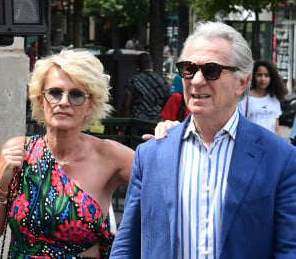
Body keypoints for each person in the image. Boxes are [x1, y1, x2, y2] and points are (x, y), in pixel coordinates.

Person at [110, 21, 296, 258]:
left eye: (211, 71)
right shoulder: (151, 154)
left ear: (241, 82)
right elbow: (126, 245)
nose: (196, 80)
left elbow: (289, 249)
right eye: (188, 69)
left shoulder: (280, 158)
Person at [0, 50, 134, 258]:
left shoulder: (109, 155)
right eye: (54, 92)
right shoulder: (17, 152)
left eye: (76, 94)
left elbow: (166, 181)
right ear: (41, 100)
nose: (63, 102)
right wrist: (0, 184)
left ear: (91, 105)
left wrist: (169, 133)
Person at [238, 60, 287, 135]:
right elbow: (240, 125)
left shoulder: (274, 99)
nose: (263, 79)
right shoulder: (244, 99)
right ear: (253, 76)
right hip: (252, 142)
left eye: (267, 75)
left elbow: (276, 128)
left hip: (271, 143)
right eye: (259, 75)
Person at [119, 52, 169, 123]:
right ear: (152, 64)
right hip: (156, 124)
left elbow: (126, 105)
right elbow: (167, 104)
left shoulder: (133, 81)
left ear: (138, 65)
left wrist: (121, 127)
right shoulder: (163, 81)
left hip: (137, 124)